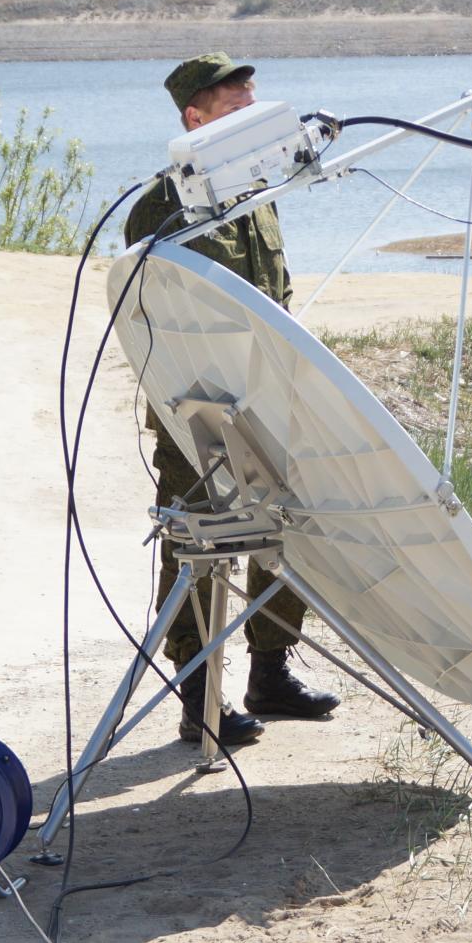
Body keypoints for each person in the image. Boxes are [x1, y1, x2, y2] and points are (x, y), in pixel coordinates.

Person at [123, 52, 340, 746]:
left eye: (256, 106)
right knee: (201, 540)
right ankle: (200, 695)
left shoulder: (259, 195)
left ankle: (269, 672)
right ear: (195, 119)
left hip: (269, 391)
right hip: (198, 406)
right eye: (235, 108)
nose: (253, 118)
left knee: (288, 522)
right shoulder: (163, 206)